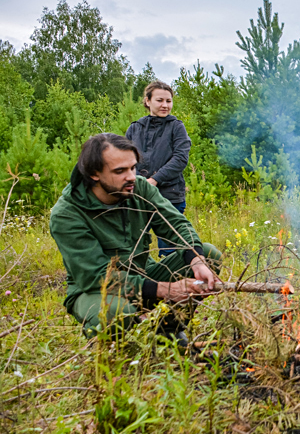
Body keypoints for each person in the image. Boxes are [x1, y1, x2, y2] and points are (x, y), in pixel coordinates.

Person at [49, 133, 222, 339]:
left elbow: (175, 224)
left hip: (143, 274)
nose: (131, 176)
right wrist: (165, 290)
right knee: (115, 312)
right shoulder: (67, 213)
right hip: (94, 290)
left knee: (208, 254)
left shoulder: (138, 188)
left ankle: (167, 330)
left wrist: (196, 259)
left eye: (132, 167)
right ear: (94, 174)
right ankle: (113, 352)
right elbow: (95, 277)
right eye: (120, 171)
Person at [126, 80, 191, 256]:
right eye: (160, 100)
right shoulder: (135, 128)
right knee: (136, 248)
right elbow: (126, 160)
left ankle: (173, 282)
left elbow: (180, 159)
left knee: (170, 250)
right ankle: (142, 281)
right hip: (138, 196)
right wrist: (137, 183)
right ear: (148, 101)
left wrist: (154, 180)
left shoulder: (177, 127)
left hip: (170, 196)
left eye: (168, 101)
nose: (165, 105)